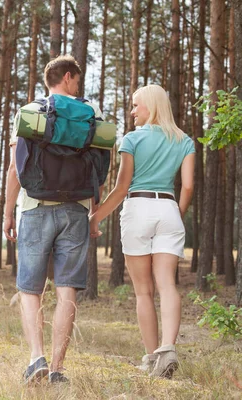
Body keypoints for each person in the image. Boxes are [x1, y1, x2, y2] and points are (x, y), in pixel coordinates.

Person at [3, 55, 105, 384]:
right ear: (67, 77)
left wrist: (7, 212)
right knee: (67, 290)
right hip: (75, 209)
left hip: (34, 206)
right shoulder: (93, 113)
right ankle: (59, 370)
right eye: (77, 78)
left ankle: (37, 358)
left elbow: (15, 168)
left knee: (30, 288)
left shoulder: (30, 112)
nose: (79, 85)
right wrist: (94, 212)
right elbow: (98, 171)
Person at [89, 84, 195, 378]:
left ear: (152, 105)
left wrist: (96, 218)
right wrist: (176, 213)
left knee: (143, 291)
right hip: (169, 209)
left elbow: (122, 188)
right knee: (167, 285)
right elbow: (187, 186)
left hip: (138, 208)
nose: (132, 111)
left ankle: (151, 360)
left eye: (136, 105)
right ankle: (167, 349)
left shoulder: (132, 139)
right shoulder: (184, 140)